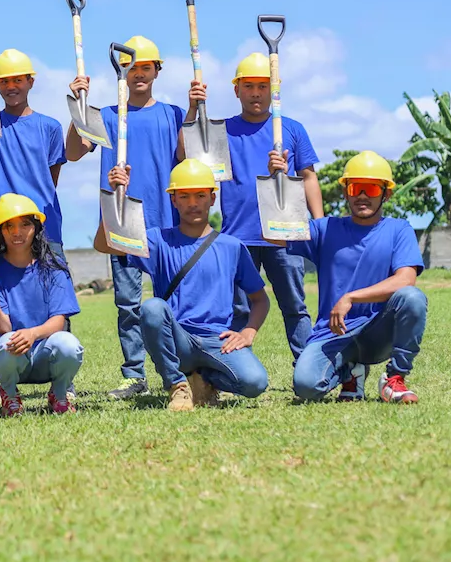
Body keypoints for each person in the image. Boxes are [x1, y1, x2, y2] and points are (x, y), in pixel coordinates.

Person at [66, 36, 195, 401]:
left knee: (172, 300)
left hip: (167, 220)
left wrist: (193, 110)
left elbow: (187, 159)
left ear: (156, 71)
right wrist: (78, 109)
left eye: (145, 67)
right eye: (132, 67)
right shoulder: (107, 116)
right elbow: (74, 152)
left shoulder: (171, 115)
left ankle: (180, 369)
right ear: (122, 71)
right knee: (127, 304)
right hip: (121, 217)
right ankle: (134, 373)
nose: (139, 74)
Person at [96, 159, 271, 411]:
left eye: (200, 195)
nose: (192, 203)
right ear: (173, 200)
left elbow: (260, 299)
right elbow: (105, 245)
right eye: (184, 196)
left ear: (212, 198)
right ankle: (177, 386)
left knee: (255, 382)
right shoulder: (157, 240)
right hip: (178, 340)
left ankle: (205, 381)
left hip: (217, 340)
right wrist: (115, 197)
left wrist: (248, 331)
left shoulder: (232, 246)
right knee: (152, 308)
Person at [190, 52, 323, 361]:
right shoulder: (222, 131)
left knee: (295, 305)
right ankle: (233, 367)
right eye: (248, 86)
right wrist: (194, 107)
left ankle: (306, 369)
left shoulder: (291, 129)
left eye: (262, 86)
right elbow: (191, 155)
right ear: (236, 90)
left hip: (284, 234)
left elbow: (309, 177)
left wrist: (319, 225)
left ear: (273, 90)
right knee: (237, 308)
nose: (255, 93)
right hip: (238, 238)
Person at [286, 151, 428, 404]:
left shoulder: (399, 229)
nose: (362, 196)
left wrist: (351, 297)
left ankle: (394, 379)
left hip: (377, 331)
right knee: (306, 387)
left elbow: (406, 280)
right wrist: (280, 178)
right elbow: (276, 231)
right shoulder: (324, 229)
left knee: (412, 298)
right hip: (333, 333)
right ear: (346, 192)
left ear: (387, 194)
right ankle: (351, 372)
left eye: (371, 189)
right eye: (355, 188)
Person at [0, 38, 66, 254]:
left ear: (30, 82)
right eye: (4, 82)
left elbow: (51, 179)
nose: (11, 87)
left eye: (17, 80)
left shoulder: (50, 127)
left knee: (52, 284)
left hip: (42, 223)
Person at [0, 193, 82, 416]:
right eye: (9, 227)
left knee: (68, 344)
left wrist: (32, 334)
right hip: (10, 355)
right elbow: (2, 329)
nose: (17, 232)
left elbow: (59, 322)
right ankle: (9, 394)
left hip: (45, 352)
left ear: (36, 228)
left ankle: (60, 394)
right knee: (6, 341)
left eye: (25, 224)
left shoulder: (54, 267)